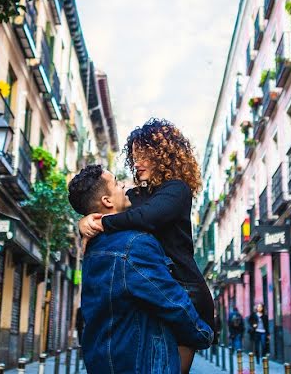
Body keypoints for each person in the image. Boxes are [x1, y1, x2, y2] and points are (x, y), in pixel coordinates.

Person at [78, 118, 216, 374]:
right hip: (157, 286)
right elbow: (108, 204)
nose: (137, 162)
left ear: (163, 155)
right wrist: (85, 220)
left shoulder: (176, 190)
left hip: (185, 292)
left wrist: (101, 222)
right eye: (134, 156)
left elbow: (146, 218)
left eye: (144, 155)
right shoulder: (136, 195)